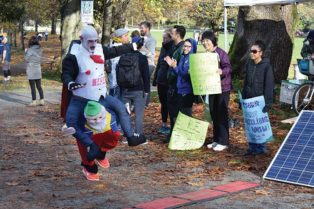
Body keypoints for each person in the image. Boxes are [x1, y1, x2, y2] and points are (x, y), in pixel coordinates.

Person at [61, 26, 146, 175]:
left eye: (95, 40)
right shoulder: (74, 56)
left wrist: (133, 46)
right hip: (83, 100)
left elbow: (115, 51)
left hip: (101, 96)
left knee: (118, 112)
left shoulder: (100, 49)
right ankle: (89, 162)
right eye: (90, 41)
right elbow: (66, 73)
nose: (93, 44)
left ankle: (130, 138)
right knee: (79, 128)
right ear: (82, 40)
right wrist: (70, 83)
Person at [241, 40, 274, 156]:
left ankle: (260, 149)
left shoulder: (266, 66)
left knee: (259, 126)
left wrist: (268, 102)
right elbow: (246, 83)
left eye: (254, 51)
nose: (252, 53)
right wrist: (243, 98)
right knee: (250, 125)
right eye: (251, 51)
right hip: (249, 101)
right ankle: (252, 148)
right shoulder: (249, 64)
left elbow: (269, 85)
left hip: (260, 102)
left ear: (261, 53)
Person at [201, 31, 232, 152]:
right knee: (213, 113)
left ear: (213, 41)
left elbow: (228, 67)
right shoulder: (206, 54)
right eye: (203, 41)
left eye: (207, 41)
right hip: (211, 87)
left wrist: (221, 72)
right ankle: (216, 139)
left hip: (223, 88)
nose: (205, 43)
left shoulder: (221, 53)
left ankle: (224, 141)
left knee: (221, 113)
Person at [119, 37, 150, 135]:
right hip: (138, 89)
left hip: (125, 89)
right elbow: (146, 76)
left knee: (125, 114)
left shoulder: (123, 56)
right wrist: (146, 90)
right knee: (139, 115)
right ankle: (138, 135)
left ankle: (127, 135)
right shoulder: (142, 58)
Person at [163, 25, 186, 143]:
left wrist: (170, 64)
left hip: (177, 85)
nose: (170, 35)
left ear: (177, 35)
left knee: (175, 111)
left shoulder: (181, 49)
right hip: (172, 84)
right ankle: (173, 134)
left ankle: (176, 136)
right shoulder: (175, 47)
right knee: (172, 111)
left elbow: (179, 67)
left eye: (172, 33)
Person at [165, 38, 197, 117]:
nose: (185, 48)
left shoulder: (192, 59)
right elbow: (179, 73)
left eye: (188, 46)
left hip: (187, 91)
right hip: (180, 90)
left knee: (186, 115)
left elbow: (186, 75)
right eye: (184, 46)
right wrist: (173, 66)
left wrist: (175, 67)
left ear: (193, 47)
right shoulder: (183, 57)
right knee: (181, 115)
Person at [152, 29, 173, 135]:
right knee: (163, 104)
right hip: (161, 80)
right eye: (163, 38)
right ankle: (164, 124)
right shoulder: (163, 49)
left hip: (169, 81)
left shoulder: (174, 48)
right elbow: (159, 64)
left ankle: (173, 125)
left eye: (165, 38)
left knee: (170, 104)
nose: (163, 40)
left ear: (170, 38)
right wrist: (155, 79)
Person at [108, 28, 130, 98]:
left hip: (118, 80)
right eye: (125, 36)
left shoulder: (118, 46)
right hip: (116, 82)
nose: (128, 38)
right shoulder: (117, 48)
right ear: (119, 38)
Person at [139, 21, 157, 107]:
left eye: (142, 28)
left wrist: (140, 48)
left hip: (149, 65)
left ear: (147, 28)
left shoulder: (151, 40)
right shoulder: (142, 38)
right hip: (143, 64)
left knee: (145, 83)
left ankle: (145, 103)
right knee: (143, 83)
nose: (140, 30)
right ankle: (143, 102)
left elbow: (151, 54)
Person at [25, 36, 44, 106]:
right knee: (39, 86)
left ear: (31, 42)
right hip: (38, 69)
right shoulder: (40, 49)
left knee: (33, 87)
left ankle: (34, 101)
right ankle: (42, 100)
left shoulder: (29, 50)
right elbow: (40, 59)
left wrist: (25, 52)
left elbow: (26, 59)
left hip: (31, 69)